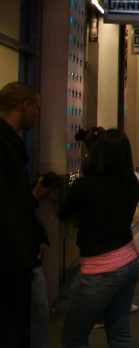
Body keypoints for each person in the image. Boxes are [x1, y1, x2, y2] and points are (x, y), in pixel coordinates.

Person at [59, 129, 139, 348]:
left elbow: (64, 214)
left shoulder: (85, 186)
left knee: (73, 337)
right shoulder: (131, 183)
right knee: (119, 333)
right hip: (129, 261)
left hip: (100, 269)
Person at [0, 82, 49, 348]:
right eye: (37, 107)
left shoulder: (11, 145)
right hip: (11, 265)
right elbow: (8, 208)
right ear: (25, 106)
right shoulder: (7, 147)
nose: (38, 114)